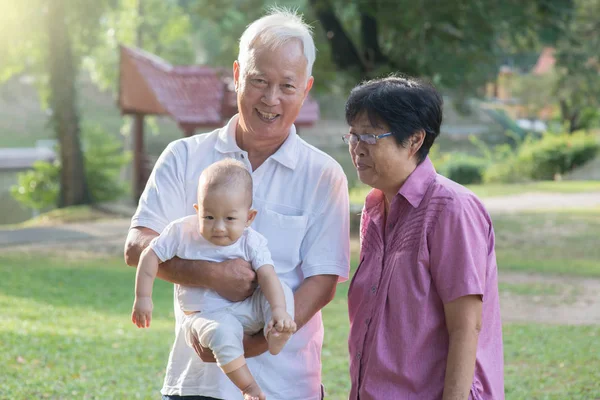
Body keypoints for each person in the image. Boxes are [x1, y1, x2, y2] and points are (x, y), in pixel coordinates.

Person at [123, 8, 350, 400]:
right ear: (237, 74)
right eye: (259, 80)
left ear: (307, 88)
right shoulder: (184, 156)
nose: (271, 98)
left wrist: (250, 347)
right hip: (195, 383)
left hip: (287, 386)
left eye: (287, 86)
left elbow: (323, 282)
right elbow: (137, 245)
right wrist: (210, 274)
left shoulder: (323, 175)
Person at [344, 76, 504, 400]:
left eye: (371, 136)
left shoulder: (451, 208)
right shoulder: (374, 208)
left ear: (415, 140)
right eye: (353, 135)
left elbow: (466, 326)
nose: (357, 148)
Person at [131, 159, 296, 400]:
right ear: (198, 210)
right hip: (206, 316)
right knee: (223, 333)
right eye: (209, 217)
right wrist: (143, 297)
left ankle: (277, 331)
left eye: (230, 219)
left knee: (281, 288)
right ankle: (248, 387)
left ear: (249, 217)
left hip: (247, 311)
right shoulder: (181, 232)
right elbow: (149, 255)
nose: (218, 227)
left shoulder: (252, 241)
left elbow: (267, 275)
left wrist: (279, 310)